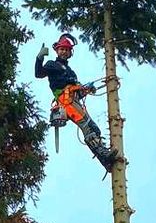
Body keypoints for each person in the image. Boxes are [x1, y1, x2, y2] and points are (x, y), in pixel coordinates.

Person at [35, 33, 118, 173]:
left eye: (66, 50)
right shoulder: (52, 65)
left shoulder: (71, 72)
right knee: (87, 127)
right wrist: (40, 57)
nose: (64, 51)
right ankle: (104, 154)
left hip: (74, 100)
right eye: (62, 49)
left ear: (70, 53)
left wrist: (86, 89)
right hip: (65, 101)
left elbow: (77, 91)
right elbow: (38, 73)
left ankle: (105, 162)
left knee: (94, 128)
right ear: (57, 50)